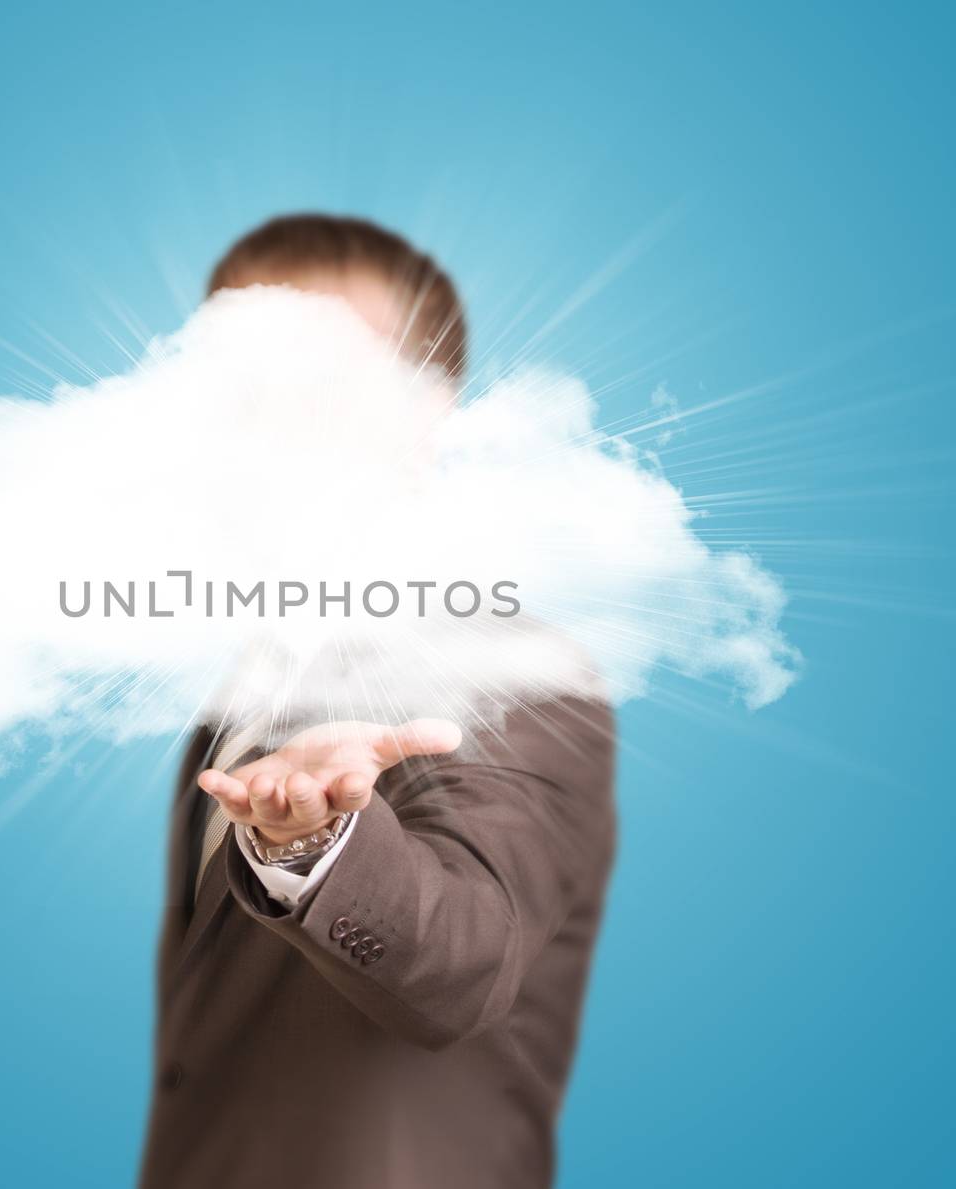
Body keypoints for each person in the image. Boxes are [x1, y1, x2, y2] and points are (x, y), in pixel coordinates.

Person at [138, 214, 617, 1189]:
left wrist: (313, 847)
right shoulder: (239, 690)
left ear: (428, 409)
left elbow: (465, 964)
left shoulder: (512, 671)